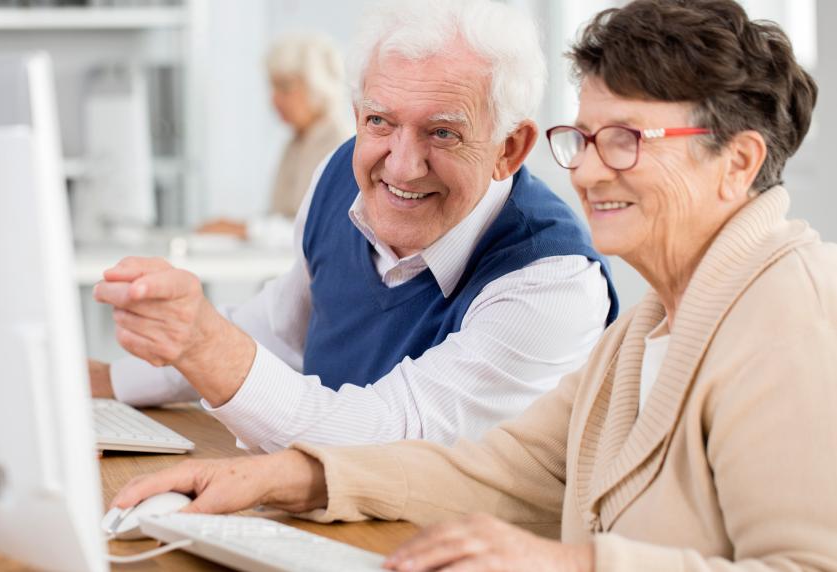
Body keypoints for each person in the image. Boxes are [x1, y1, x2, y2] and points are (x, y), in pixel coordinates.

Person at [110, 0, 837, 570]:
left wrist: (570, 565)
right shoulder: (652, 323)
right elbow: (506, 471)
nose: (587, 172)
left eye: (625, 141)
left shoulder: (789, 322)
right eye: (584, 139)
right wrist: (287, 479)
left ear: (738, 163)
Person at [90, 0, 619, 452]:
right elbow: (281, 329)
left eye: (442, 133)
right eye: (380, 121)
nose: (403, 167)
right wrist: (113, 380)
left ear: (510, 149)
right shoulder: (340, 174)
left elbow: (390, 440)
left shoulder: (552, 282)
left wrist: (208, 346)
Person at [199, 33, 353, 238]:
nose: (274, 100)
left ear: (318, 85)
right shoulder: (296, 142)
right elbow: (281, 217)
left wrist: (245, 229)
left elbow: (318, 231)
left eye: (285, 88)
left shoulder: (341, 145)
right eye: (273, 88)